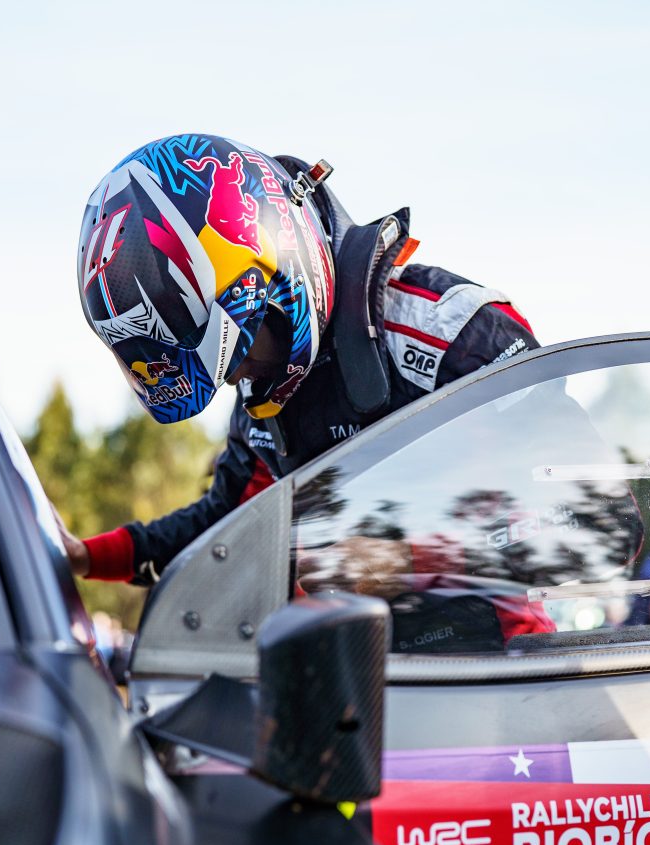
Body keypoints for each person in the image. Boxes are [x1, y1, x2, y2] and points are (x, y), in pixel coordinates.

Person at [59, 133, 541, 602]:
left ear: (283, 279)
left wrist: (410, 561)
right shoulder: (262, 404)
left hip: (502, 650)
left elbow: (578, 507)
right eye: (223, 365)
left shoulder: (453, 332)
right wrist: (84, 556)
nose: (235, 376)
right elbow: (221, 529)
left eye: (243, 342)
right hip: (357, 651)